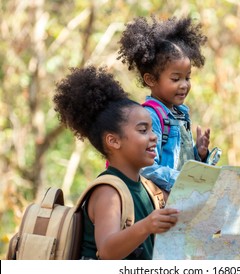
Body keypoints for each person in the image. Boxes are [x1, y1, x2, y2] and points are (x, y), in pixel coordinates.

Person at [53, 66, 179, 260]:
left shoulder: (148, 188)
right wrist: (147, 225)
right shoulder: (108, 191)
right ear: (113, 141)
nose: (154, 137)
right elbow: (107, 251)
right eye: (143, 130)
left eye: (152, 130)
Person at [117, 15, 211, 194]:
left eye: (187, 77)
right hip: (161, 203)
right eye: (175, 79)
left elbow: (182, 163)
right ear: (151, 79)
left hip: (181, 198)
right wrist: (182, 180)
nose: (184, 85)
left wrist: (199, 153)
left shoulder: (181, 113)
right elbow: (147, 167)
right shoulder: (150, 116)